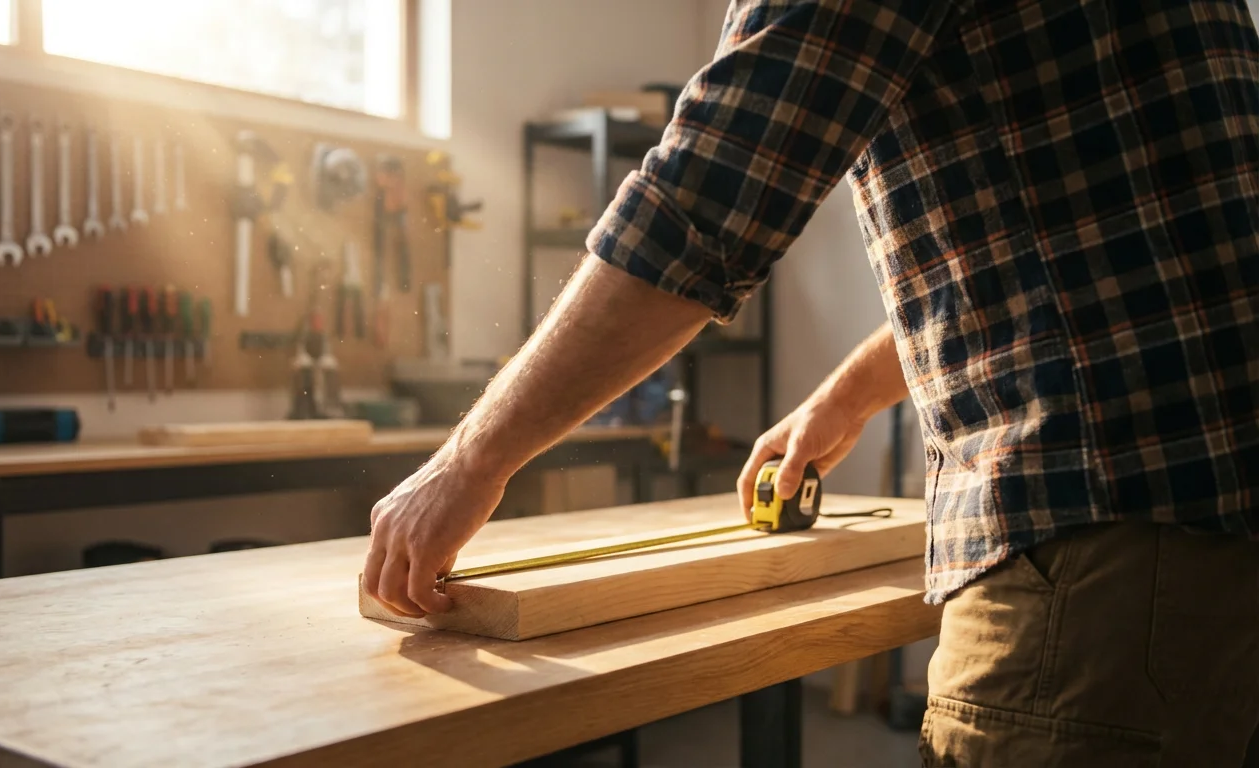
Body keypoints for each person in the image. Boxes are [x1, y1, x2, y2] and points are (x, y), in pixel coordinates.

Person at [363, 0, 1259, 763]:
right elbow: (1103, 253)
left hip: (1107, 556)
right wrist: (848, 395)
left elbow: (704, 201)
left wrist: (470, 461)